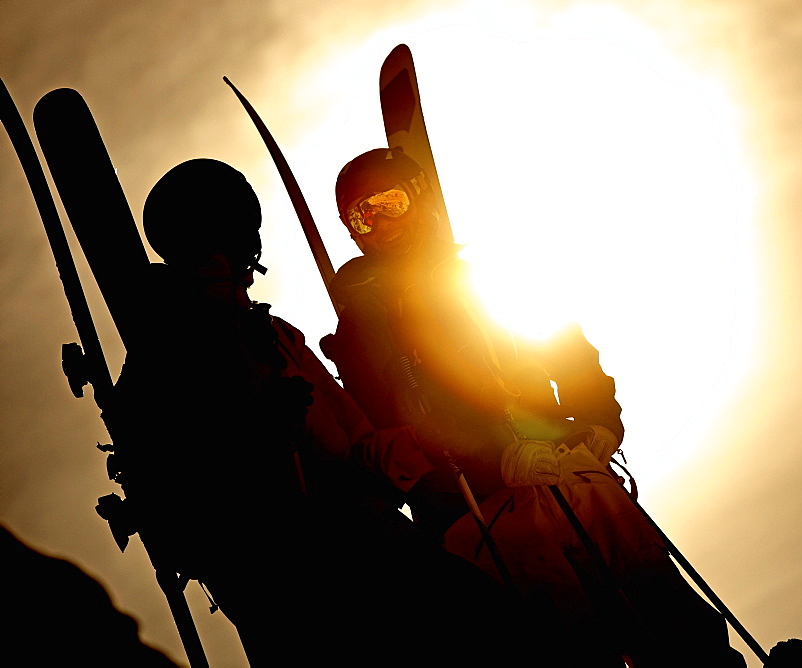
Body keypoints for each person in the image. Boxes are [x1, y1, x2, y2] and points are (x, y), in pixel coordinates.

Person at [321, 147, 748, 667]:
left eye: (389, 203)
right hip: (478, 508)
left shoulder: (482, 278)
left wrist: (596, 421)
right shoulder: (366, 318)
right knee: (564, 644)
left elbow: (562, 344)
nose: (378, 224)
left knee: (672, 621)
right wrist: (483, 457)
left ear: (420, 197)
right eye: (360, 217)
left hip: (567, 474)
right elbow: (393, 418)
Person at [113, 158, 510, 666]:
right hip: (287, 582)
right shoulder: (164, 354)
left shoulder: (276, 337)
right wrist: (255, 436)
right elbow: (174, 495)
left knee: (494, 622)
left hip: (368, 543)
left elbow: (360, 442)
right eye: (209, 247)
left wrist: (441, 447)